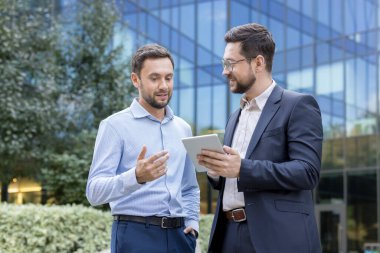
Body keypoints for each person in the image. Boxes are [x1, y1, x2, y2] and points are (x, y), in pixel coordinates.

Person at [197, 23, 323, 253]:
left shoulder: (298, 105)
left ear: (258, 63)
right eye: (224, 64)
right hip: (227, 234)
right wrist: (216, 171)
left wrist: (242, 168)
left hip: (276, 238)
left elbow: (307, 171)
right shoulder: (235, 116)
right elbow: (232, 177)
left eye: (231, 63)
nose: (225, 71)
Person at [86, 44, 200, 253]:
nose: (164, 85)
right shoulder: (114, 126)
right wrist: (136, 176)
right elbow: (94, 192)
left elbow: (189, 187)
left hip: (180, 238)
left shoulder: (183, 128)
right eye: (154, 78)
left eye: (168, 77)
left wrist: (192, 222)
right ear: (135, 80)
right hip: (135, 236)